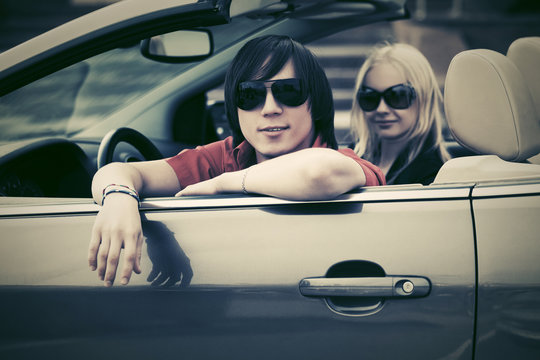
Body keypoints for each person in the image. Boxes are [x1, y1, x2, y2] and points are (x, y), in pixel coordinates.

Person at [88, 35, 385, 287]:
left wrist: (223, 184)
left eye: (288, 91)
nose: (270, 108)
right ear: (235, 105)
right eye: (250, 94)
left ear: (315, 102)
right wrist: (118, 197)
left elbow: (317, 174)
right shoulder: (225, 155)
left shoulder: (345, 164)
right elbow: (119, 171)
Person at [350, 42, 450, 185]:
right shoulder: (352, 157)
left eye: (397, 96)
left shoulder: (435, 175)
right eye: (370, 97)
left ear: (424, 98)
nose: (381, 109)